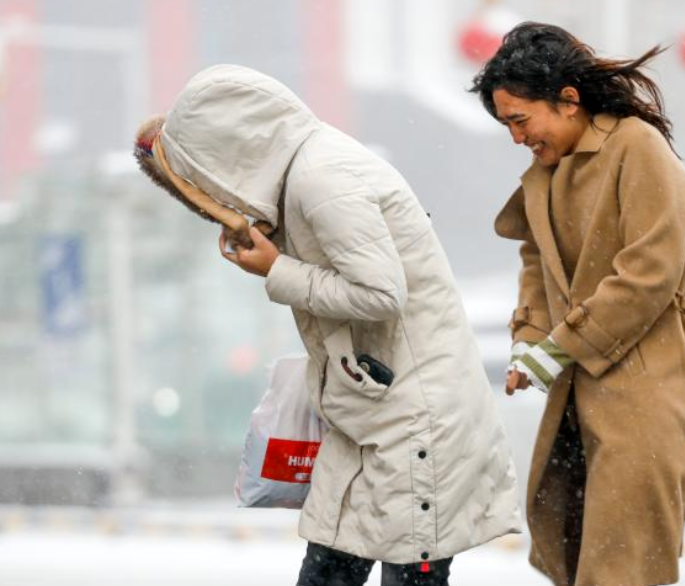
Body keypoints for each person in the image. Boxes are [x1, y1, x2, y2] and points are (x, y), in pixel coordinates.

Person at [134, 64, 521, 586]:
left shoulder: (321, 178)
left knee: (393, 576)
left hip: (412, 424)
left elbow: (380, 294)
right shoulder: (310, 165)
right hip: (376, 417)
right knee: (332, 571)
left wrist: (276, 269)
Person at [470, 23, 685, 586]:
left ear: (569, 100)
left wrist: (561, 347)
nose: (515, 138)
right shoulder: (546, 174)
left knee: (623, 569)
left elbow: (650, 274)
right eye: (506, 124)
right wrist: (530, 341)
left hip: (647, 392)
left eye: (520, 119)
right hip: (579, 398)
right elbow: (537, 264)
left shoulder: (636, 147)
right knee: (578, 559)